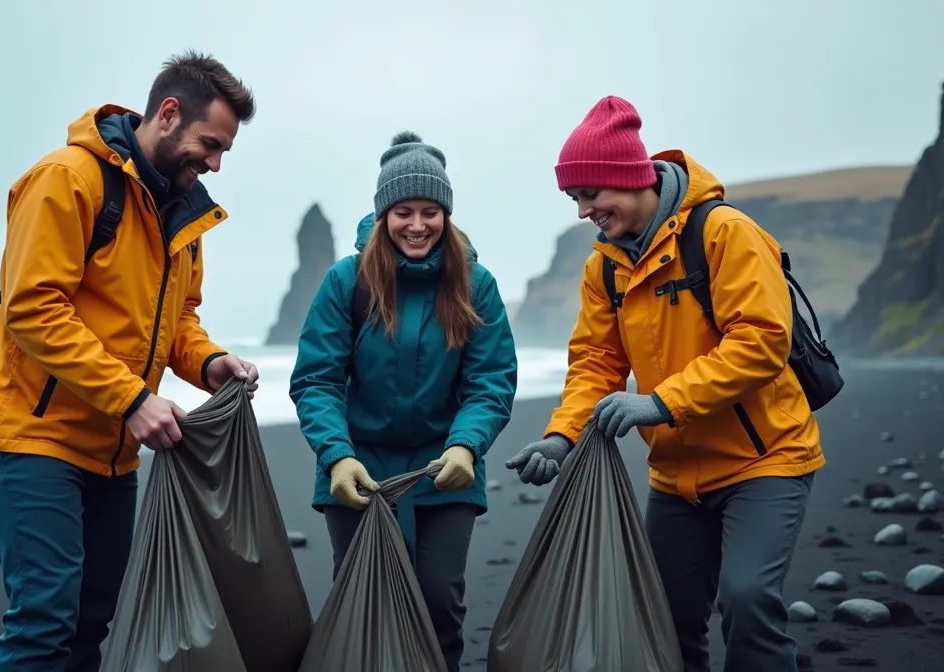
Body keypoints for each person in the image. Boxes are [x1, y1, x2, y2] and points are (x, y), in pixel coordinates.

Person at [0, 50, 261, 672]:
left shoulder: (186, 212)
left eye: (225, 150)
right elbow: (33, 307)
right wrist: (131, 399)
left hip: (112, 445)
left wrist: (209, 365)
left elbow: (176, 322)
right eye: (210, 144)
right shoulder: (68, 178)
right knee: (44, 620)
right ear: (169, 114)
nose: (215, 163)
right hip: (29, 432)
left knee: (92, 618)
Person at [505, 95, 824, 672]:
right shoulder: (604, 266)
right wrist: (562, 436)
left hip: (766, 459)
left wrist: (660, 402)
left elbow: (760, 341)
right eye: (575, 199)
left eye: (589, 195)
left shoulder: (725, 233)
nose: (583, 213)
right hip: (675, 477)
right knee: (668, 622)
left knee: (748, 601)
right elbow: (597, 362)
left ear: (627, 179)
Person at [289, 131, 518, 671]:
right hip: (356, 469)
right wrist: (337, 456)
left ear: (447, 214)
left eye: (430, 211)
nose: (417, 225)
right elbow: (317, 380)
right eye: (404, 211)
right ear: (383, 213)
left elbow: (490, 381)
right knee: (365, 602)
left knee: (440, 601)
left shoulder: (475, 283)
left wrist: (467, 447)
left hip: (445, 470)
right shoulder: (347, 281)